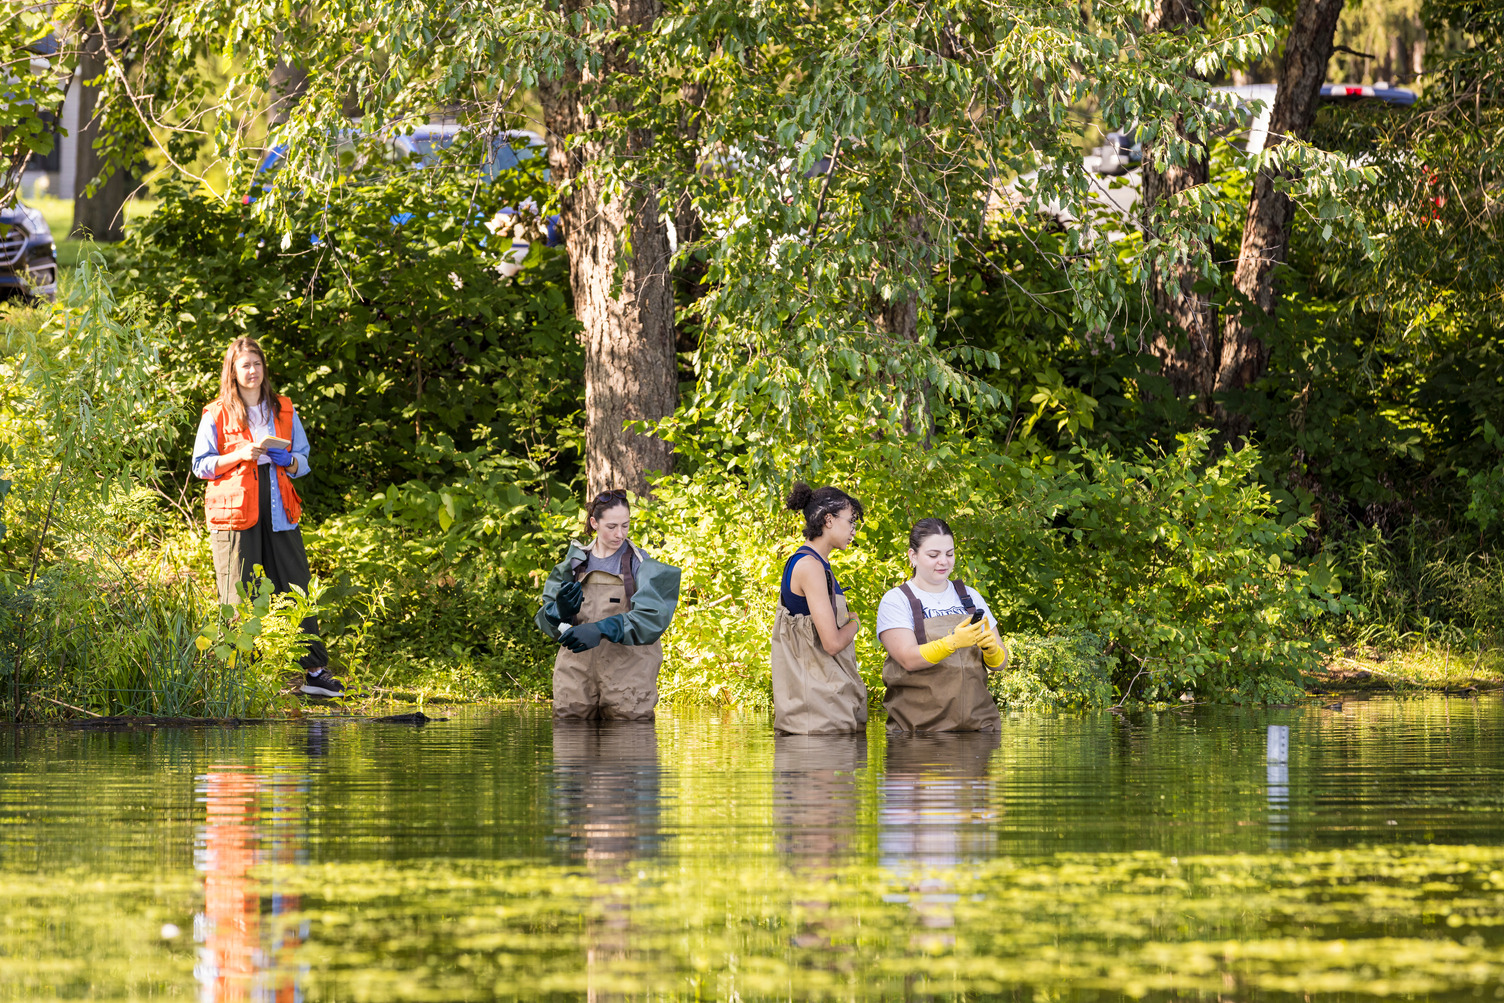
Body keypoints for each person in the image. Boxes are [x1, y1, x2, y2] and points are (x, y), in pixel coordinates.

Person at [192, 337, 342, 698]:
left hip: (278, 508)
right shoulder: (216, 413)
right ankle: (239, 677)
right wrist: (241, 454)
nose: (252, 371)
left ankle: (315, 673)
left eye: (257, 364)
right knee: (239, 592)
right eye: (245, 365)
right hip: (235, 512)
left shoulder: (284, 409)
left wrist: (288, 461)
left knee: (297, 585)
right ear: (233, 370)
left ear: (264, 369)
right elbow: (201, 465)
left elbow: (302, 460)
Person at [535, 489, 682, 720]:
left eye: (625, 525)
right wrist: (559, 611)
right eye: (611, 527)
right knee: (570, 741)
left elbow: (652, 619)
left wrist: (601, 628)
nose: (620, 534)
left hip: (627, 675)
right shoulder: (573, 564)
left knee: (627, 744)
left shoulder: (643, 565)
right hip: (575, 674)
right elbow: (544, 619)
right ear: (594, 523)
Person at [875, 518, 1009, 734]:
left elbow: (1001, 663)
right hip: (919, 734)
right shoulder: (896, 600)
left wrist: (992, 652)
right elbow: (908, 659)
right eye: (933, 555)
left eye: (949, 554)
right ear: (913, 556)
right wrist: (953, 642)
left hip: (979, 730)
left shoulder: (970, 596)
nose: (944, 562)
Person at [770, 483, 868, 735]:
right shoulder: (810, 567)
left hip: (821, 708)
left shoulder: (818, 564)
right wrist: (855, 623)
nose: (853, 531)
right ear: (828, 520)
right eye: (850, 522)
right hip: (816, 714)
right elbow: (832, 644)